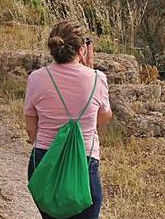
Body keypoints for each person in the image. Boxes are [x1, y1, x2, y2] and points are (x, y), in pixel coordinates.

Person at [24, 20, 113, 219]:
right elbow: (104, 117)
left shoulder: (36, 78)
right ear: (82, 49)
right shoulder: (97, 78)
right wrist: (89, 69)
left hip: (44, 161)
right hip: (84, 163)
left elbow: (31, 131)